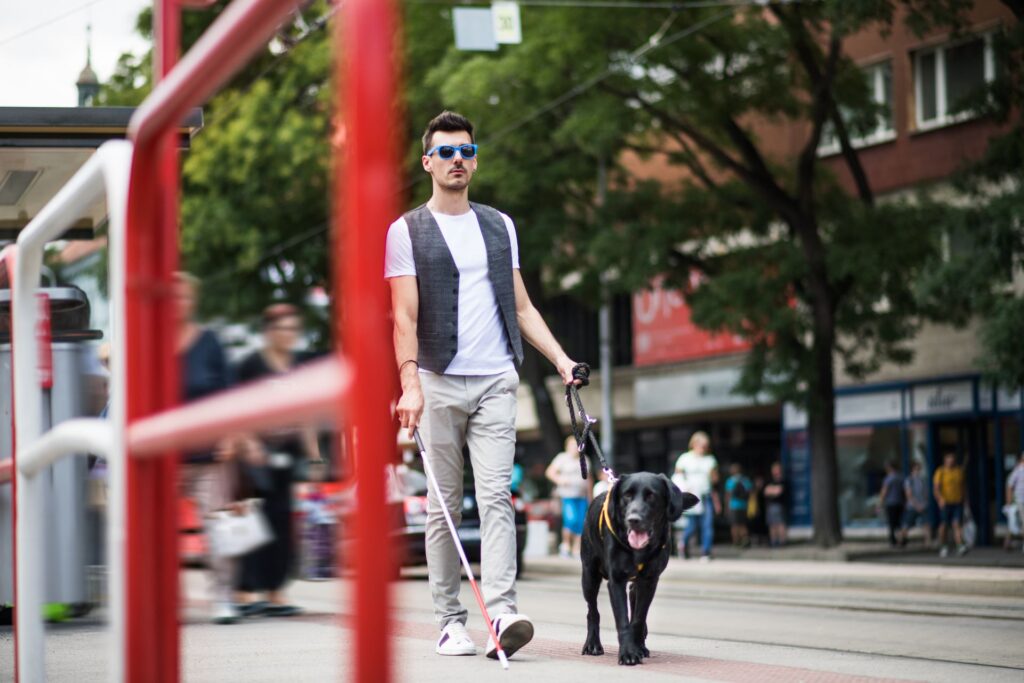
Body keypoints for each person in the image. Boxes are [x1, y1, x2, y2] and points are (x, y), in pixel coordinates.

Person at [386, 111, 581, 659]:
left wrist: (562, 359)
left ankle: (502, 613)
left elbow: (520, 305)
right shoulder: (406, 231)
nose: (458, 162)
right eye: (446, 153)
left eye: (466, 152)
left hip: (497, 377)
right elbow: (403, 319)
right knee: (443, 505)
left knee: (496, 496)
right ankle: (450, 620)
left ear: (475, 159)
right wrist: (410, 385)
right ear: (428, 162)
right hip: (437, 380)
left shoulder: (500, 225)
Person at [234, 303, 322, 617]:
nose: (289, 335)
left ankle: (275, 591)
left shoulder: (298, 367)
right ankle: (244, 592)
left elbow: (307, 413)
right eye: (283, 328)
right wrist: (249, 445)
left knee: (283, 523)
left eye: (294, 329)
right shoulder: (251, 365)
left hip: (288, 455)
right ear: (269, 331)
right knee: (254, 525)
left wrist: (314, 457)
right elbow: (236, 408)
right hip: (255, 457)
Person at [175, 272, 246, 625]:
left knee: (219, 529)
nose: (178, 302)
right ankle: (165, 598)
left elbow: (230, 392)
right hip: (163, 455)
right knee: (153, 531)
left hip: (209, 455)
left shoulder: (210, 342)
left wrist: (232, 434)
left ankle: (223, 596)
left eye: (185, 296)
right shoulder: (150, 341)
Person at [674, 431, 720, 561]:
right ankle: (683, 543)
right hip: (692, 496)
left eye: (705, 446)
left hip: (706, 496)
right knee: (692, 525)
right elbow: (677, 476)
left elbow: (715, 480)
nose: (703, 448)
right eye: (701, 445)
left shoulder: (710, 459)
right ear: (694, 444)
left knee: (707, 524)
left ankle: (706, 552)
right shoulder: (685, 458)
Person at [545, 435, 592, 558]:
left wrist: (590, 496)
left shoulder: (585, 459)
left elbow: (589, 479)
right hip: (567, 495)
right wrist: (559, 480)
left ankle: (577, 548)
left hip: (581, 496)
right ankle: (566, 545)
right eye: (573, 445)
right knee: (571, 520)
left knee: (581, 523)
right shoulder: (562, 458)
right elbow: (550, 472)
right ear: (567, 447)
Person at [933, 452, 968, 558]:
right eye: (949, 461)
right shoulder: (940, 472)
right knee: (944, 525)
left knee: (956, 524)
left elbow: (963, 487)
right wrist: (940, 499)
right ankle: (943, 546)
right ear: (945, 461)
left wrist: (966, 500)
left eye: (952, 461)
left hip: (957, 502)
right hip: (945, 503)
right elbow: (936, 488)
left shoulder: (958, 471)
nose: (950, 463)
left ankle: (960, 546)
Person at [899, 460, 931, 548]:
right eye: (917, 468)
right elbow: (909, 495)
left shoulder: (923, 479)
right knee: (906, 524)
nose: (919, 470)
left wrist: (925, 503)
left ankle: (927, 542)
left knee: (926, 524)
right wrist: (917, 505)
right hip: (912, 506)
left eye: (919, 468)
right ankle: (902, 540)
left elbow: (925, 493)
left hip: (923, 505)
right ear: (912, 469)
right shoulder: (909, 480)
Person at [877, 461, 905, 547]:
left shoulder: (888, 478)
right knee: (899, 523)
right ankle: (901, 539)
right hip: (900, 502)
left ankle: (893, 540)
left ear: (889, 468)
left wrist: (880, 503)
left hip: (891, 503)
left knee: (892, 523)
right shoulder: (900, 477)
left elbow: (884, 491)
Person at [724, 463, 752, 548]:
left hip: (733, 505)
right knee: (743, 524)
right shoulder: (745, 480)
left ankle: (736, 542)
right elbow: (750, 492)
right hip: (744, 505)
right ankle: (745, 539)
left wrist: (726, 507)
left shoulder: (730, 481)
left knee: (734, 525)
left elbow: (728, 495)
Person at [763, 461, 787, 548]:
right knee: (772, 524)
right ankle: (774, 541)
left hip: (779, 505)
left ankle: (782, 541)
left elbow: (778, 491)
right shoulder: (770, 480)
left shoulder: (783, 480)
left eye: (776, 469)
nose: (775, 471)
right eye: (773, 469)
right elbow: (765, 491)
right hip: (770, 506)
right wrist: (773, 490)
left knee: (780, 523)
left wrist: (771, 490)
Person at [1005, 452, 1024, 552]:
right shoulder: (1018, 470)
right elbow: (1009, 486)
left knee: (1014, 524)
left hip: (1019, 500)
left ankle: (1007, 543)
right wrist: (1008, 503)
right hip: (1020, 500)